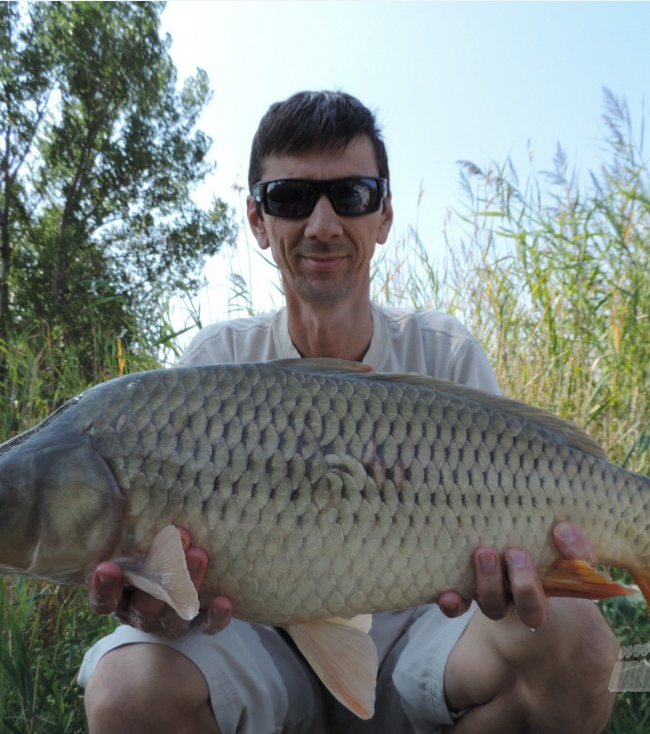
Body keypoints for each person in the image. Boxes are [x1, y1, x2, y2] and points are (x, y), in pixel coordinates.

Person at [78, 91, 619, 733]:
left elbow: (513, 561)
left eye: (353, 195)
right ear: (257, 220)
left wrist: (529, 572)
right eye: (290, 198)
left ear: (384, 215)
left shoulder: (443, 354)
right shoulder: (213, 366)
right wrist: (161, 602)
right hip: (265, 652)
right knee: (125, 691)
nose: (324, 224)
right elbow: (167, 578)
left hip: (427, 644)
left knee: (578, 639)